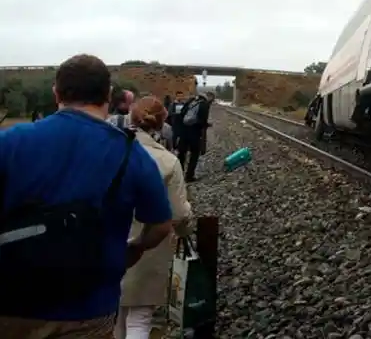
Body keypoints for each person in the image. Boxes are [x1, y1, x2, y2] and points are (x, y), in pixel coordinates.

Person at [0, 54, 173, 338]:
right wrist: (137, 246)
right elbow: (161, 225)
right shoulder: (133, 155)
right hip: (88, 308)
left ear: (56, 92)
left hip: (11, 303)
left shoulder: (9, 142)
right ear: (108, 95)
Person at [114, 97, 192, 339]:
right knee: (140, 317)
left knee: (113, 318)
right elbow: (179, 214)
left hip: (108, 244)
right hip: (149, 247)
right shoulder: (169, 161)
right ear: (162, 123)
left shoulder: (109, 151)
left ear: (130, 118)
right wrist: (185, 233)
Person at [176, 92, 213, 182]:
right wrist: (207, 125)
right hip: (194, 133)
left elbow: (181, 114)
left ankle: (179, 174)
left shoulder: (190, 101)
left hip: (184, 132)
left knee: (181, 153)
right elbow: (202, 121)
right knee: (195, 153)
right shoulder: (204, 104)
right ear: (208, 98)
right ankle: (189, 176)